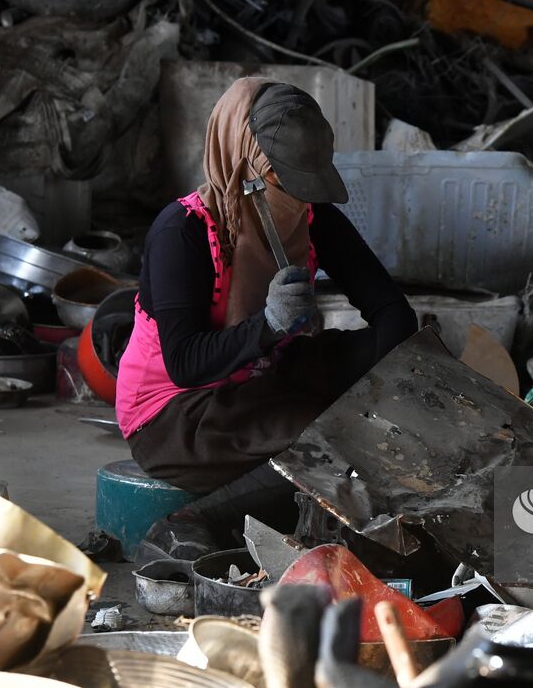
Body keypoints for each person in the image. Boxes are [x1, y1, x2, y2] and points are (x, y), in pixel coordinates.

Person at [117, 78, 416, 560]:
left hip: (261, 376)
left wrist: (390, 376)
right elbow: (185, 364)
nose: (299, 202)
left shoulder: (311, 213)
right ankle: (190, 523)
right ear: (244, 165)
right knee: (331, 441)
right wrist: (269, 325)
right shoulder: (183, 232)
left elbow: (391, 311)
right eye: (285, 184)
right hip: (178, 412)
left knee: (384, 383)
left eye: (307, 185)